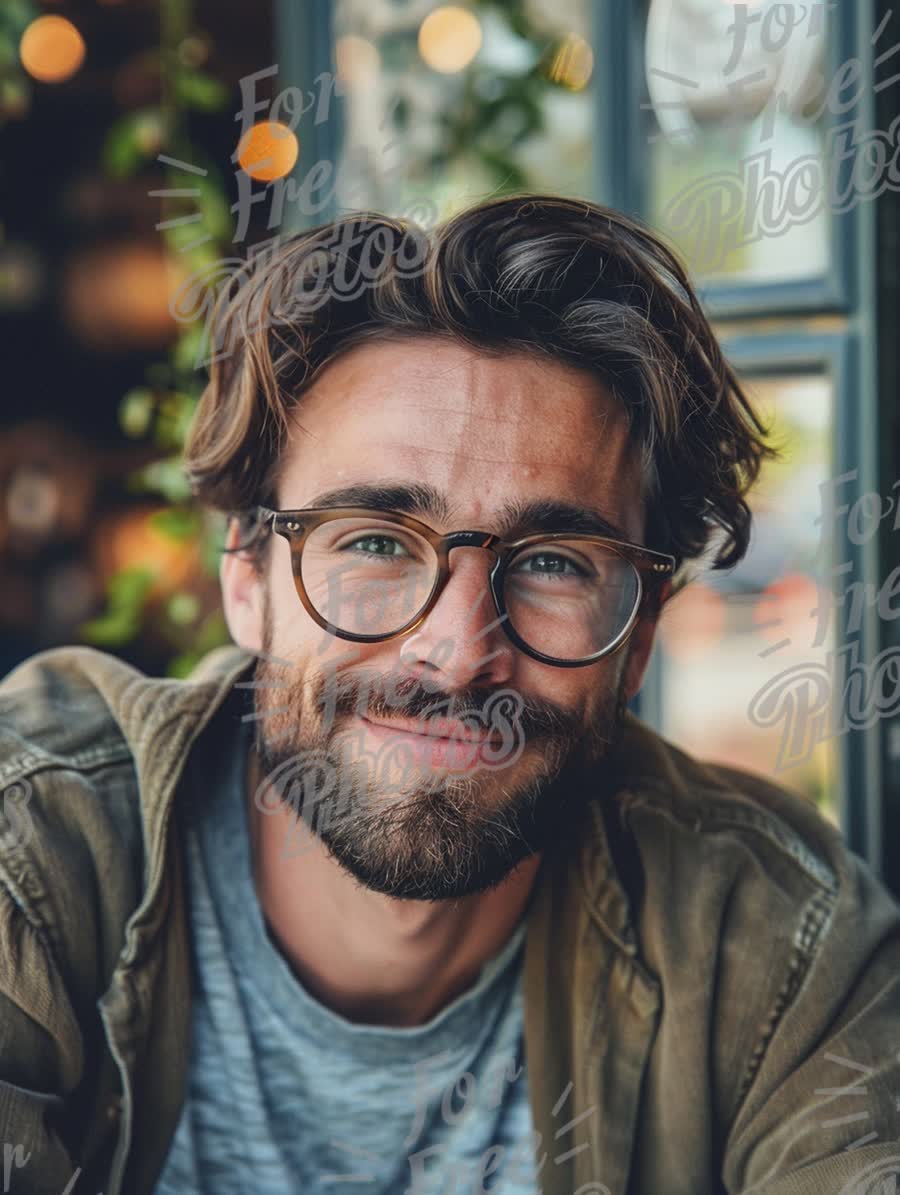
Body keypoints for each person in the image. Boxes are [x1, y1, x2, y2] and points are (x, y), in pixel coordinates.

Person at [1, 195, 898, 1195]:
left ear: (641, 632)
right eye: (377, 541)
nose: (457, 650)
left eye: (555, 559)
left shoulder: (775, 940)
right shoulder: (34, 852)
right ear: (246, 582)